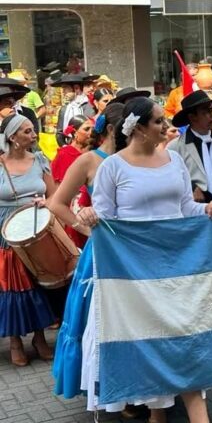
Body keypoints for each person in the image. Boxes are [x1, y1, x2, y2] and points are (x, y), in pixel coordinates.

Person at [75, 97, 212, 422]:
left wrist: (211, 208)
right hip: (136, 275)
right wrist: (88, 214)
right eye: (158, 121)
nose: (166, 127)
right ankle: (158, 415)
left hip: (179, 269)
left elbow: (187, 208)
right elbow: (105, 218)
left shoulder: (173, 161)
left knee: (186, 343)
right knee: (154, 348)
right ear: (139, 128)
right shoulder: (113, 167)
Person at [50, 103, 125, 400]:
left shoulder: (132, 159)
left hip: (134, 249)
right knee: (100, 320)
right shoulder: (89, 161)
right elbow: (57, 203)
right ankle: (105, 387)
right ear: (111, 129)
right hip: (103, 251)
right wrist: (85, 227)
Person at [0, 114, 56, 366]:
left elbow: (55, 196)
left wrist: (45, 202)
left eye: (33, 130)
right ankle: (14, 341)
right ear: (12, 138)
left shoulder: (40, 160)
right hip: (5, 233)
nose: (34, 135)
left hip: (37, 230)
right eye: (27, 132)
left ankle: (39, 336)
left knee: (37, 283)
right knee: (11, 286)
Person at [168, 91, 212, 204]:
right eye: (207, 111)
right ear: (192, 117)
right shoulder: (176, 147)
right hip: (199, 209)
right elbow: (171, 178)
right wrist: (192, 187)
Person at [51, 116, 92, 186]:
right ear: (75, 133)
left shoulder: (93, 152)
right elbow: (59, 186)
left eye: (92, 129)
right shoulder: (64, 154)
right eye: (87, 129)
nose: (91, 133)